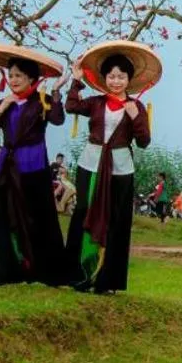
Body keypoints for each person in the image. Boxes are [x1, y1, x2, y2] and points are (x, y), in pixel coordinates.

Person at [0, 51, 70, 286]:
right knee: (2, 218)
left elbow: (57, 119)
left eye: (19, 76)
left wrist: (55, 92)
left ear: (32, 79)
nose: (14, 80)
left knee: (37, 218)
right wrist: (2, 108)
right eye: (11, 75)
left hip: (34, 167)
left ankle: (41, 270)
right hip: (6, 168)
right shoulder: (6, 103)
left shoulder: (41, 101)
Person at [62, 49, 151, 293]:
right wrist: (76, 79)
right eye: (111, 76)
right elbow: (71, 106)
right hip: (90, 164)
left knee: (116, 220)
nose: (116, 81)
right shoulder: (96, 102)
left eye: (121, 76)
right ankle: (77, 275)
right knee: (82, 212)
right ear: (104, 79)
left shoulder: (136, 107)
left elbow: (144, 141)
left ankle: (107, 280)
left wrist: (136, 119)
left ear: (128, 80)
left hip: (121, 168)